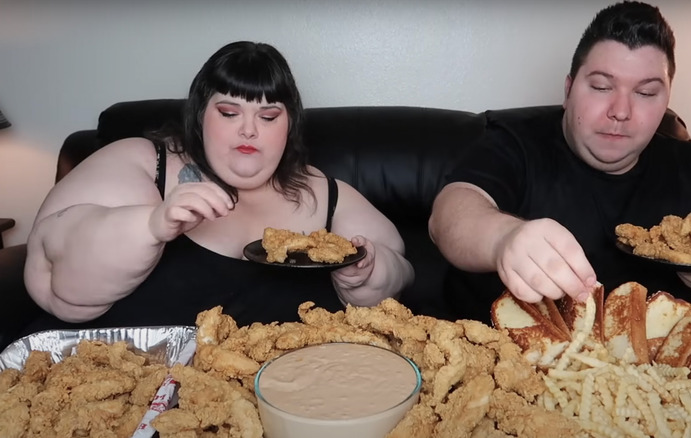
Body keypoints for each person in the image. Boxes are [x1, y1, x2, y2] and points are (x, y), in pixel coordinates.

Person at [428, 1, 691, 329]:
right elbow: (449, 216)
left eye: (645, 93)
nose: (621, 111)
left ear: (666, 100)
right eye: (601, 86)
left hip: (654, 365)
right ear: (568, 91)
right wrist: (503, 238)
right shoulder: (513, 140)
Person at [23, 41, 414, 331]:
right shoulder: (142, 163)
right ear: (200, 115)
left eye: (268, 116)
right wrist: (151, 225)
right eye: (229, 112)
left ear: (289, 126)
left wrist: (365, 274)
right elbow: (63, 294)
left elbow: (398, 273)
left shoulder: (327, 194)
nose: (248, 129)